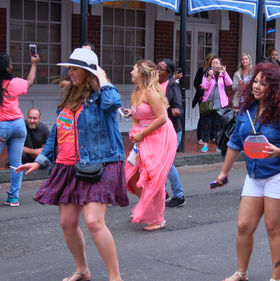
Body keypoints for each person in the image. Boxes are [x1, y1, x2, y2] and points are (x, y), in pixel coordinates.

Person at [16, 48, 128, 281]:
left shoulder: (101, 97)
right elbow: (58, 132)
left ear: (89, 73)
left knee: (94, 222)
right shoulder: (70, 95)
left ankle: (115, 277)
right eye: (70, 68)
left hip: (100, 163)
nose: (70, 72)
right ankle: (82, 270)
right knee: (67, 222)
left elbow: (114, 102)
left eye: (76, 68)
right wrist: (39, 161)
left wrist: (103, 78)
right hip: (68, 166)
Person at [217, 62, 280, 281]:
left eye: (263, 83)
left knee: (273, 227)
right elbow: (235, 142)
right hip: (255, 174)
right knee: (244, 225)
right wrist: (223, 172)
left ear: (273, 88)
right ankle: (242, 273)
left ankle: (277, 277)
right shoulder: (247, 112)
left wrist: (279, 151)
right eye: (255, 81)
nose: (257, 86)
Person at [125, 59, 177, 231]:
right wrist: (134, 134)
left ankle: (158, 218)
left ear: (142, 72)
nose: (131, 72)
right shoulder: (136, 92)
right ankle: (147, 207)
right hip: (143, 135)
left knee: (153, 176)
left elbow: (162, 118)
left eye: (133, 69)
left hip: (160, 135)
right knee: (131, 174)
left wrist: (142, 133)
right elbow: (135, 118)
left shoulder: (151, 92)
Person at [0, 51, 39, 207]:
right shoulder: (15, 83)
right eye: (10, 63)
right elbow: (29, 81)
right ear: (7, 67)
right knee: (16, 163)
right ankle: (14, 197)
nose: (12, 65)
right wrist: (34, 63)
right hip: (18, 125)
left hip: (2, 126)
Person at [157, 58, 186, 208]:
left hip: (173, 130)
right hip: (159, 131)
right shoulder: (155, 86)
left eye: (161, 69)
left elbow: (179, 108)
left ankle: (179, 195)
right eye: (157, 68)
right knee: (161, 162)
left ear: (168, 73)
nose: (157, 71)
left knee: (167, 164)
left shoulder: (172, 86)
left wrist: (174, 111)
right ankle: (164, 192)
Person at [200, 56, 232, 152]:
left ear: (221, 64)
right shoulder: (207, 74)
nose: (215, 65)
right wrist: (209, 77)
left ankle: (218, 144)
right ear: (211, 64)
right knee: (207, 124)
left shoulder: (222, 75)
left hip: (220, 103)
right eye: (213, 63)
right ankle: (205, 144)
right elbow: (204, 86)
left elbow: (230, 83)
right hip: (209, 103)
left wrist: (225, 72)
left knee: (218, 125)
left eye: (217, 63)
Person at [193, 53, 216, 145]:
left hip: (213, 98)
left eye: (214, 61)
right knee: (203, 117)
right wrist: (202, 92)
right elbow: (196, 83)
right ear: (207, 61)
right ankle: (200, 138)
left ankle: (212, 137)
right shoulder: (202, 71)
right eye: (210, 60)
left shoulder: (216, 72)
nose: (212, 62)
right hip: (203, 97)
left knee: (213, 118)